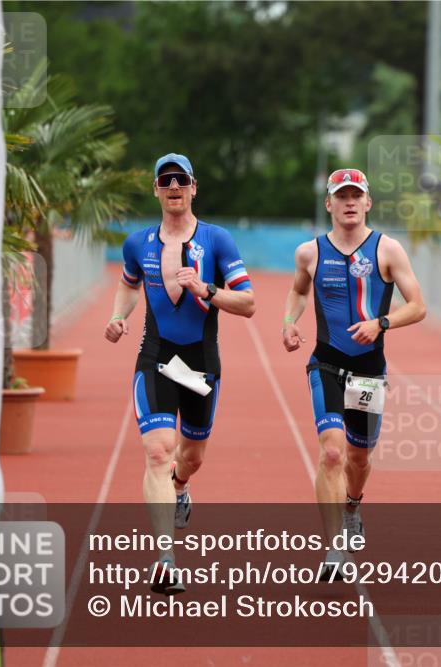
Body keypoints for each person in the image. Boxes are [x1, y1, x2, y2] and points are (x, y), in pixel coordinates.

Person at [104, 153, 255, 595]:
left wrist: (205, 288)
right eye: (165, 180)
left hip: (200, 363)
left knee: (189, 457)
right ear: (156, 189)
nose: (173, 187)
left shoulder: (218, 239)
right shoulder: (138, 243)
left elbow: (248, 304)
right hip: (156, 357)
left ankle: (181, 486)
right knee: (157, 451)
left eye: (181, 180)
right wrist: (118, 316)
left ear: (193, 187)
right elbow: (128, 283)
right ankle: (166, 560)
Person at [282, 168, 425, 579]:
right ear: (329, 203)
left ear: (367, 203)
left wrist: (380, 323)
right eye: (340, 196)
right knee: (331, 452)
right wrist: (290, 321)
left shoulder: (388, 250)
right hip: (325, 362)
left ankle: (353, 505)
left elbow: (417, 306)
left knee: (359, 458)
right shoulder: (309, 252)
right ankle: (332, 549)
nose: (348, 202)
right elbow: (297, 289)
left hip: (368, 371)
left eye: (355, 195)